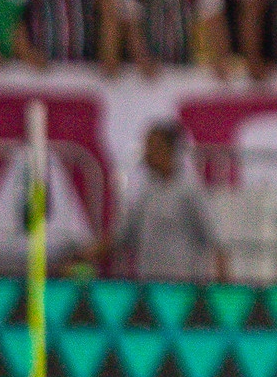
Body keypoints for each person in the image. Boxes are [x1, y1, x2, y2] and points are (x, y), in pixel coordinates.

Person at [85, 121, 228, 282]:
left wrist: (223, 291)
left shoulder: (191, 190)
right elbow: (121, 235)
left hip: (183, 288)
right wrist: (84, 255)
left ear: (171, 150)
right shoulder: (145, 191)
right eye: (147, 146)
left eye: (153, 147)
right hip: (148, 286)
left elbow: (217, 240)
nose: (147, 153)